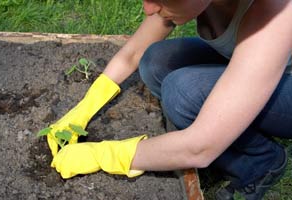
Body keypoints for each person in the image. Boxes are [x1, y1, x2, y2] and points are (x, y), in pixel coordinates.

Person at [49, 0, 292, 199]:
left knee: (183, 92)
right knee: (156, 60)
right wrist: (83, 109)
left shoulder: (276, 12)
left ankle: (260, 162)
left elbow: (200, 147)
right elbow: (133, 53)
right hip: (257, 65)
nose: (148, 9)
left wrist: (105, 155)